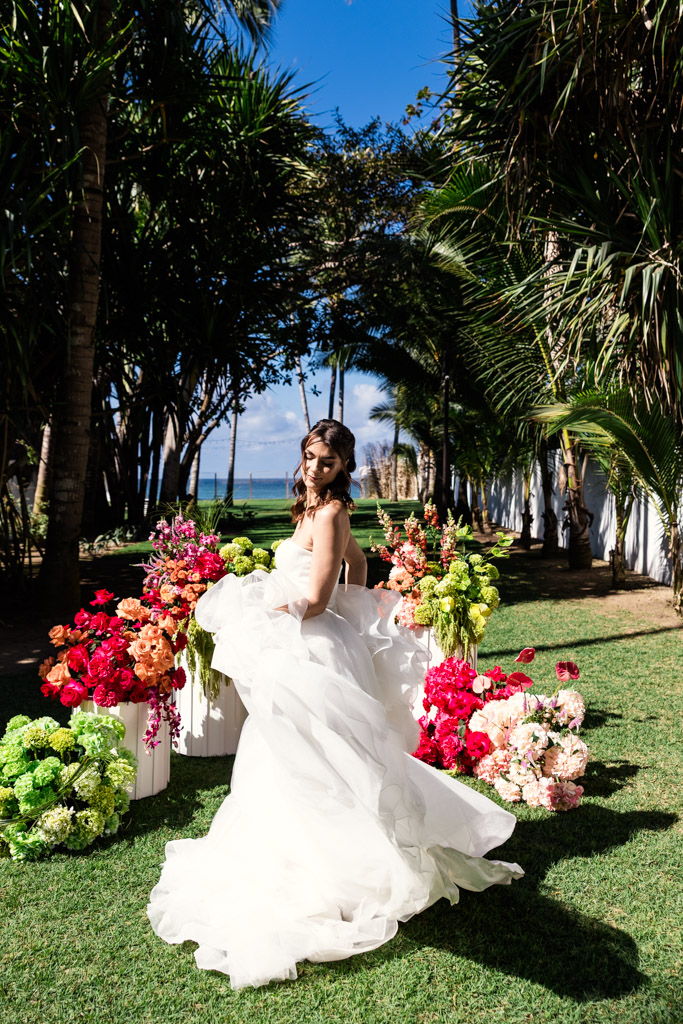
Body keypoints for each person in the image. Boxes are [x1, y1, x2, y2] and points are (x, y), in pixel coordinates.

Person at [147, 419, 523, 990]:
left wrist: (272, 612)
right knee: (292, 756)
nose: (315, 469)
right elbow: (358, 567)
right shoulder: (310, 509)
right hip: (309, 646)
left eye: (326, 462)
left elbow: (317, 599)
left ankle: (346, 867)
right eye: (309, 458)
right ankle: (295, 852)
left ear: (344, 465)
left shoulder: (330, 513)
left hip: (311, 648)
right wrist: (356, 601)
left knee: (328, 756)